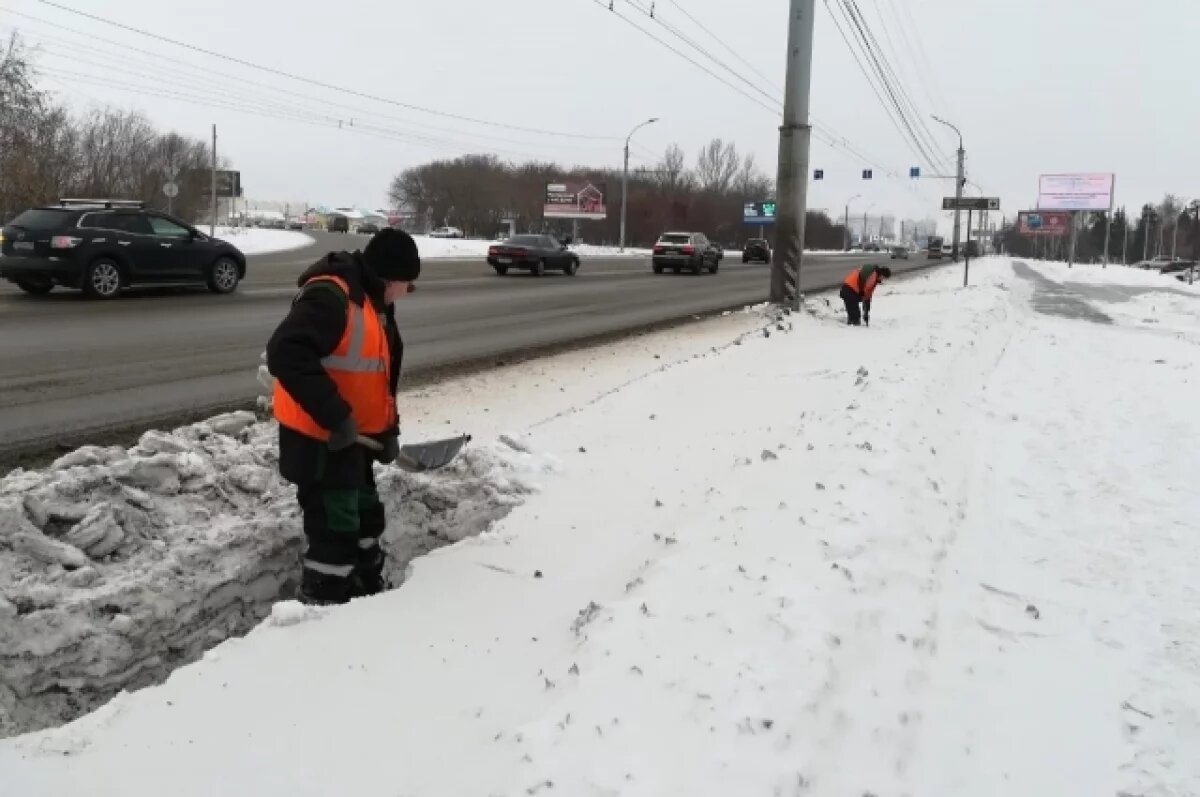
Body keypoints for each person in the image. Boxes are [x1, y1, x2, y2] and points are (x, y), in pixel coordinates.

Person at [266, 228, 420, 605]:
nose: (407, 293)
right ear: (390, 278)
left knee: (367, 518)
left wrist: (388, 431)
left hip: (354, 441)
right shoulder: (331, 296)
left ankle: (368, 593)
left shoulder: (375, 305)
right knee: (336, 529)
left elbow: (377, 377)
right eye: (408, 284)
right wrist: (337, 417)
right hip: (321, 439)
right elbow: (285, 353)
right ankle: (323, 609)